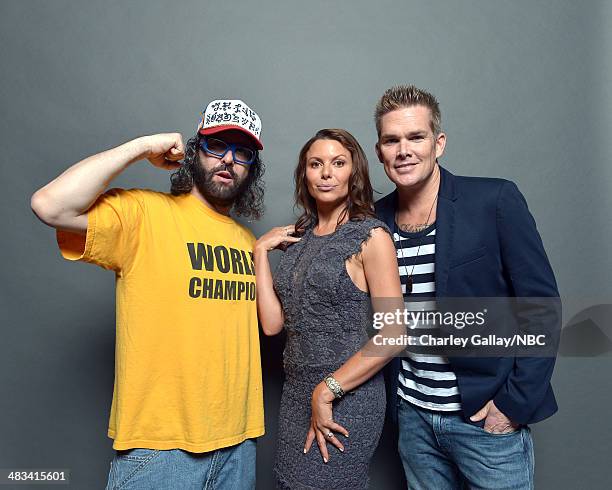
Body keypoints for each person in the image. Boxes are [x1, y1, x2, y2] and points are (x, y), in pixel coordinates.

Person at [31, 99, 266, 489]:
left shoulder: (245, 240)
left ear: (251, 169)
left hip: (239, 446)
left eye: (241, 153)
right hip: (162, 451)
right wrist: (141, 147)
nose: (228, 160)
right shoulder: (143, 213)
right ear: (194, 153)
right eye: (216, 146)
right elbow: (49, 205)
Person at [374, 85, 560, 489]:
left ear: (438, 144)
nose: (404, 150)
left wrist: (513, 405)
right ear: (380, 151)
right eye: (392, 140)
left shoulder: (493, 200)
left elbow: (541, 306)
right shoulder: (374, 220)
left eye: (416, 137)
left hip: (483, 416)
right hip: (413, 417)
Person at [255, 129, 405, 489]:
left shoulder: (371, 236)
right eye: (316, 164)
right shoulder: (299, 239)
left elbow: (394, 332)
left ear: (354, 173)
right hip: (297, 394)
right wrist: (260, 252)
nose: (326, 173)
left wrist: (327, 390)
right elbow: (273, 325)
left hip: (347, 395)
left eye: (338, 163)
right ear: (304, 174)